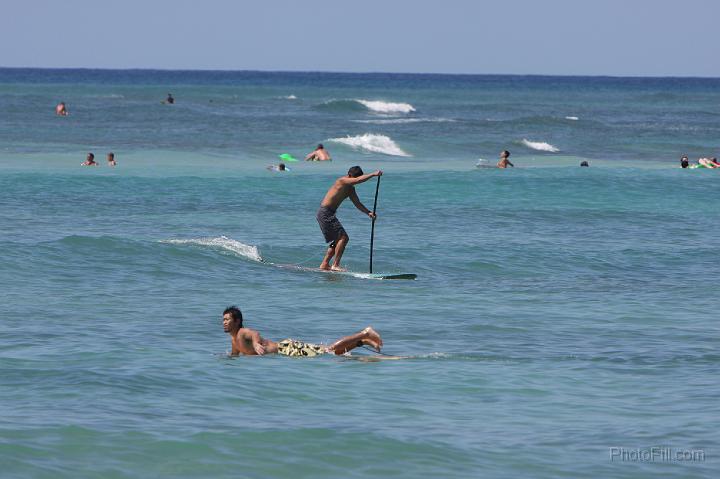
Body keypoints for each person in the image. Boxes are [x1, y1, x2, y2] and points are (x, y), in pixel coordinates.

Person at [222, 306, 383, 357]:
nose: (224, 322)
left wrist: (256, 343)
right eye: (223, 320)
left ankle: (365, 333)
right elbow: (234, 357)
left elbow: (254, 333)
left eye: (227, 319)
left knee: (329, 350)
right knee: (333, 354)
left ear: (237, 321)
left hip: (287, 348)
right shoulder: (234, 340)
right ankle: (361, 342)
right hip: (286, 352)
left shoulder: (242, 332)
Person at [316, 166, 382, 271]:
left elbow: (357, 203)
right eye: (354, 179)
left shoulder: (350, 189)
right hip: (325, 213)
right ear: (349, 175)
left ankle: (324, 264)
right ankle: (335, 265)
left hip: (328, 213)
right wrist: (373, 174)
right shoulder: (341, 181)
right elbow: (358, 180)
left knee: (339, 239)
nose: (354, 182)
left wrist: (368, 212)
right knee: (344, 237)